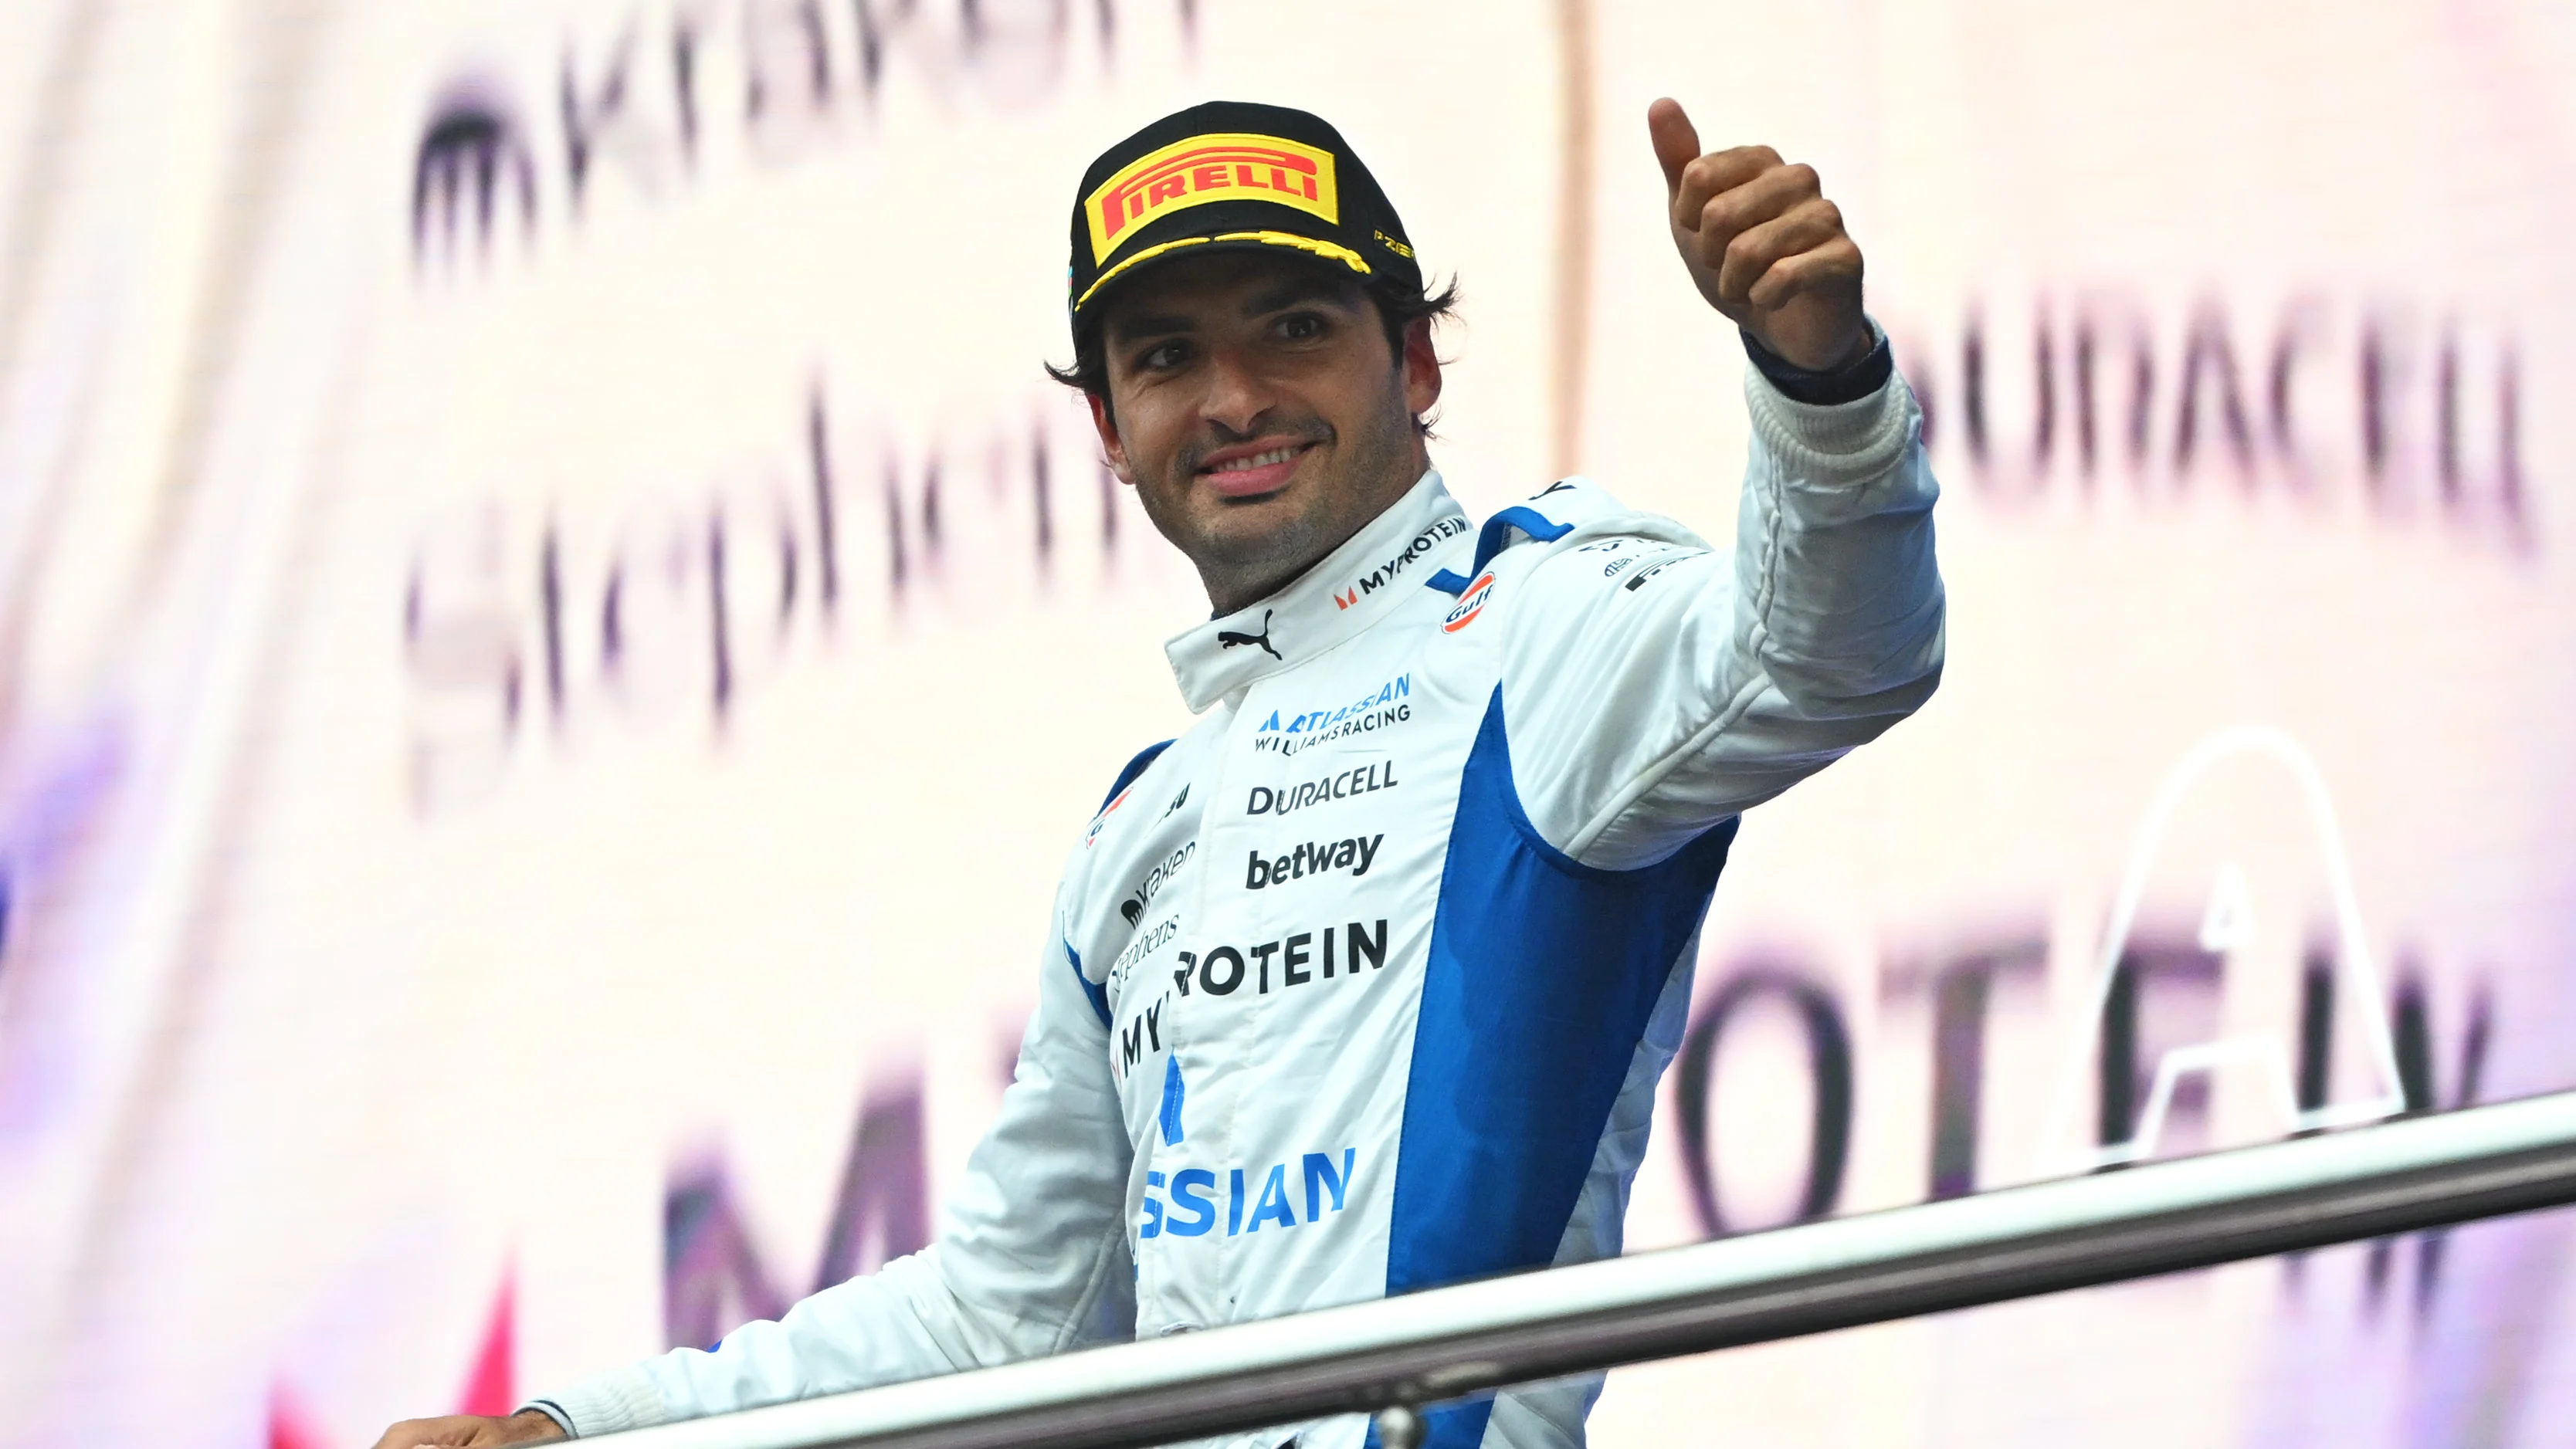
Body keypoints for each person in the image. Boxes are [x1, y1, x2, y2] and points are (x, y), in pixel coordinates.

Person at [374, 96, 1944, 1449]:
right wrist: (577, 1428)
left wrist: (1819, 370)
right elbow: (1003, 1320)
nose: (1234, 396)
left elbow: (1829, 653)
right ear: (1112, 430)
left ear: (1416, 362)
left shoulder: (1539, 620)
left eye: (1295, 327)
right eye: (1168, 355)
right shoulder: (1145, 826)